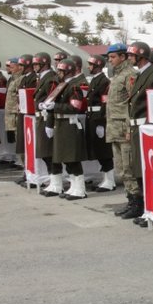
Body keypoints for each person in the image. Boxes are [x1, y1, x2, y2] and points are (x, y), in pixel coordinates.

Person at [119, 42, 153, 219]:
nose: (130, 58)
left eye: (132, 55)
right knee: (138, 169)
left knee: (145, 169)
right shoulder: (141, 75)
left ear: (142, 56)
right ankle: (147, 209)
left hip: (145, 127)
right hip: (137, 127)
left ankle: (152, 208)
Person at [105, 43, 140, 217]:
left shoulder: (130, 75)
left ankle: (137, 203)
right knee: (120, 168)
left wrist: (129, 128)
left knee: (129, 167)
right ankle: (130, 200)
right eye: (109, 57)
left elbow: (133, 104)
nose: (110, 60)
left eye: (112, 57)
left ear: (123, 57)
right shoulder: (116, 76)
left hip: (124, 129)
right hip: (114, 128)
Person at [47, 60, 88, 200]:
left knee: (73, 158)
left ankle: (80, 189)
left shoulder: (74, 87)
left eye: (61, 71)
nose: (59, 73)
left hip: (69, 124)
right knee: (66, 158)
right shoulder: (63, 86)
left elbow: (75, 107)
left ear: (68, 72)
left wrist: (55, 106)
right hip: (61, 124)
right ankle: (74, 186)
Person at [84, 55, 116, 193]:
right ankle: (106, 178)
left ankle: (110, 180)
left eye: (91, 65)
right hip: (92, 116)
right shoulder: (95, 80)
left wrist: (101, 123)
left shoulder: (103, 81)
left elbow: (105, 102)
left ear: (97, 65)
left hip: (99, 118)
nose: (89, 67)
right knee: (97, 149)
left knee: (104, 151)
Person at [31, 52, 62, 196]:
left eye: (37, 64)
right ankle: (52, 180)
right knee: (45, 153)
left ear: (45, 64)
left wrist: (49, 123)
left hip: (46, 118)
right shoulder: (43, 78)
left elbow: (51, 101)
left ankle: (57, 183)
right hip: (40, 117)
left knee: (49, 152)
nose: (35, 67)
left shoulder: (51, 79)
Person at [15, 55, 38, 186]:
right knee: (22, 146)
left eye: (22, 66)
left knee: (28, 145)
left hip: (29, 116)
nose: (20, 68)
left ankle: (30, 173)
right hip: (23, 114)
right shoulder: (24, 78)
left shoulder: (33, 79)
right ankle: (26, 172)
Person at [4, 57, 23, 170]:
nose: (9, 68)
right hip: (10, 113)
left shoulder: (20, 79)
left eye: (12, 66)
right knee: (15, 139)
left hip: (15, 113)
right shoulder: (12, 79)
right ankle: (19, 160)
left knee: (19, 137)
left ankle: (22, 162)